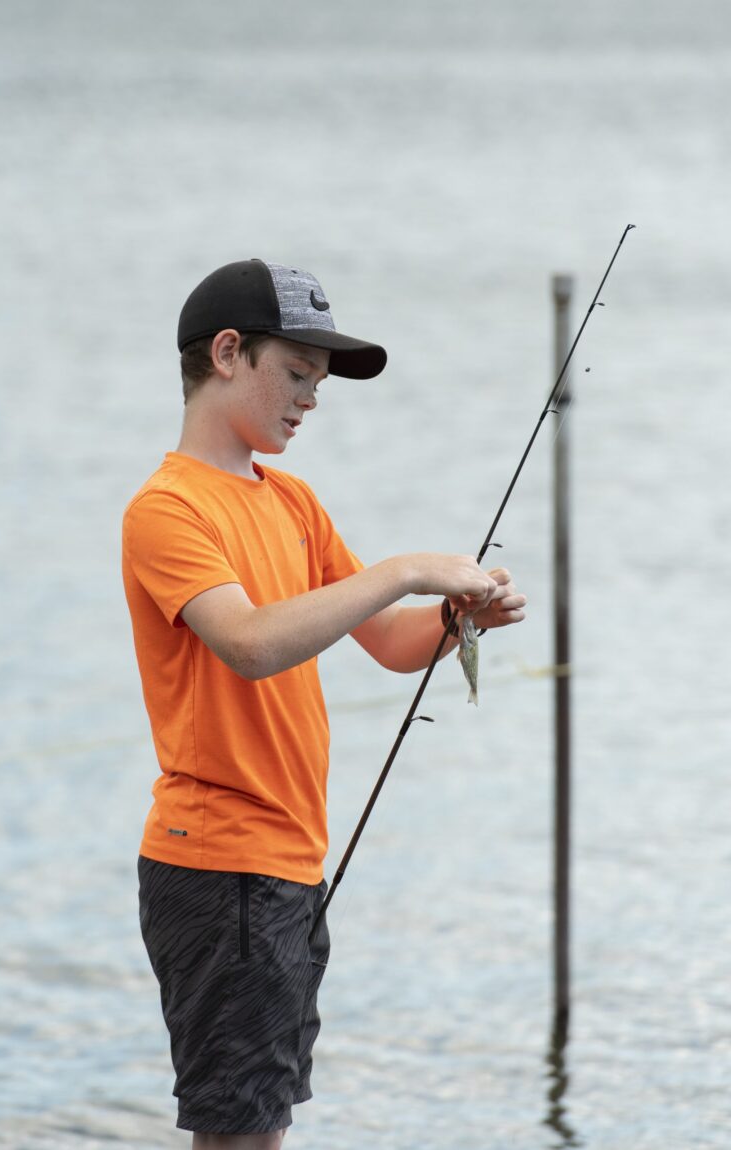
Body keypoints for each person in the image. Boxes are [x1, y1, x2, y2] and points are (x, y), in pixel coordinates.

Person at [122, 258, 527, 1149]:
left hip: (287, 863)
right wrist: (406, 569)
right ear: (228, 353)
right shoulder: (167, 509)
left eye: (319, 382)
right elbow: (252, 644)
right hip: (218, 862)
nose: (312, 399)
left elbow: (388, 643)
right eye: (297, 373)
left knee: (261, 1118)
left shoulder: (294, 503)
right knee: (236, 1127)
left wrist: (460, 616)